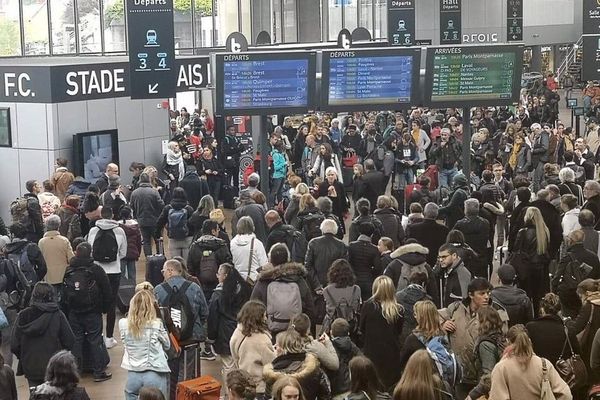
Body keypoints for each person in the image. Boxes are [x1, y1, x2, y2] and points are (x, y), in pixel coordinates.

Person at [439, 278, 506, 398]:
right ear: (470, 295)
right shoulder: (454, 309)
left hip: (485, 379)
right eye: (482, 293)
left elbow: (503, 338)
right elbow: (434, 316)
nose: (486, 297)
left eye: (488, 293)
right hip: (461, 376)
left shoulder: (496, 311)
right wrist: (443, 324)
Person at [63, 242, 112, 383]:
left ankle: (76, 372)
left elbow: (64, 293)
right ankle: (98, 372)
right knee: (95, 340)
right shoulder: (96, 269)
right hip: (92, 311)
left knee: (76, 341)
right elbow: (107, 291)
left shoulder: (68, 270)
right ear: (90, 253)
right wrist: (103, 309)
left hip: (74, 312)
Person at [11, 282, 75, 388]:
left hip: (30, 365)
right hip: (55, 366)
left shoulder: (23, 316)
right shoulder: (58, 314)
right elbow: (69, 340)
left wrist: (23, 356)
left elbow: (14, 345)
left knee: (35, 394)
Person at [488, 324, 572, 400]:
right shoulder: (544, 364)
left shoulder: (501, 368)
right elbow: (566, 394)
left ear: (507, 341)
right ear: (529, 340)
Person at [251, 243, 315, 334]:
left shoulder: (264, 281)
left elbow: (253, 309)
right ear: (288, 259)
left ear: (270, 260)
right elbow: (310, 309)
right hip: (296, 333)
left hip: (271, 333)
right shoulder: (298, 280)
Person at [87, 206, 127, 349]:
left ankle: (98, 336)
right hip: (114, 270)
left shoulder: (93, 230)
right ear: (112, 215)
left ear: (100, 216)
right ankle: (109, 338)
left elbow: (90, 251)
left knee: (96, 302)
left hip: (97, 270)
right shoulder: (120, 230)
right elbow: (123, 252)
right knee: (111, 303)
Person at [119, 289, 170, 400]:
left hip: (133, 373)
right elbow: (167, 345)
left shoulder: (123, 323)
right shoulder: (156, 324)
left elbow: (124, 342)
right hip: (154, 371)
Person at [208, 264, 252, 384]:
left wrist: (211, 337)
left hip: (225, 334)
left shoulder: (218, 294)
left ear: (224, 276)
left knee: (229, 366)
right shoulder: (246, 289)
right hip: (244, 332)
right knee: (242, 365)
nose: (217, 276)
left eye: (219, 273)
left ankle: (231, 394)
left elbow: (212, 317)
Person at [359, 275, 404, 390]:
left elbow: (361, 328)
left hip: (372, 352)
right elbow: (399, 331)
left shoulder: (368, 306)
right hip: (391, 353)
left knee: (373, 385)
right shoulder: (398, 310)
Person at [263, 329, 331, 400]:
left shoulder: (273, 372)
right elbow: (325, 394)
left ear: (281, 348)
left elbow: (268, 397)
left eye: (277, 345)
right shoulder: (314, 368)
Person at [229, 300, 276, 397]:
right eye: (264, 315)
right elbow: (270, 364)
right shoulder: (262, 340)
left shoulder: (237, 333)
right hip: (260, 386)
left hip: (243, 384)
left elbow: (235, 356)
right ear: (258, 318)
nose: (266, 318)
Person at [512, 207, 551, 315]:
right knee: (537, 296)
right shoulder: (545, 231)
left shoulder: (523, 232)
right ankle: (538, 317)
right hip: (540, 267)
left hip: (525, 268)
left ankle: (526, 318)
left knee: (525, 295)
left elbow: (516, 250)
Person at [553, 230, 600, 318]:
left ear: (571, 241)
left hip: (569, 296)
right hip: (589, 296)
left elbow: (556, 279)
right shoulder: (593, 257)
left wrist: (556, 292)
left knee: (570, 320)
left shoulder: (566, 258)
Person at [527, 293, 580, 366]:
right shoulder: (567, 330)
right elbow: (577, 352)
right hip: (562, 372)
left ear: (542, 310)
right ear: (559, 311)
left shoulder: (530, 327)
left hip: (538, 369)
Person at [188, 219, 233, 302]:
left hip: (200, 285)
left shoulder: (195, 246)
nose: (219, 231)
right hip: (218, 286)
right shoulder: (221, 245)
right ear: (213, 231)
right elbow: (228, 265)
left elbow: (190, 268)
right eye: (218, 229)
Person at [397, 300, 444, 373]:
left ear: (421, 318)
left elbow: (401, 363)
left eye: (415, 314)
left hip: (421, 379)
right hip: (441, 380)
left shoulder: (412, 339)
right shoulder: (443, 335)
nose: (414, 316)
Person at [566, 279, 600, 372]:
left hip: (591, 346)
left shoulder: (589, 306)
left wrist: (568, 322)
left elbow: (575, 329)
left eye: (581, 296)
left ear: (587, 293)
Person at [38, 215, 75, 300]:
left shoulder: (41, 242)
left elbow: (40, 260)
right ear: (59, 226)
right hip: (63, 276)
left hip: (47, 276)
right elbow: (71, 259)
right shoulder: (64, 240)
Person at [321, 259, 362, 335]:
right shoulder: (356, 289)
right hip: (351, 328)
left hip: (332, 328)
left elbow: (327, 311)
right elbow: (357, 308)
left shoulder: (327, 290)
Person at [130, 172, 165, 257]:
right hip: (155, 220)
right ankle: (160, 257)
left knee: (146, 241)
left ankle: (148, 259)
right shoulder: (154, 192)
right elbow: (161, 205)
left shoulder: (134, 193)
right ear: (149, 180)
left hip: (141, 220)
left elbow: (132, 206)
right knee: (158, 240)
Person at [154, 187, 195, 259]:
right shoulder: (189, 209)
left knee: (175, 265)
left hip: (173, 239)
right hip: (187, 239)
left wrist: (157, 234)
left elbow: (160, 222)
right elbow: (193, 223)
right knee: (186, 265)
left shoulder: (168, 208)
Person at [406, 203, 450, 268]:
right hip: (436, 263)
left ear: (424, 212)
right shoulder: (444, 230)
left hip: (417, 263)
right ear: (437, 214)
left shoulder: (412, 228)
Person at [230, 216, 268, 285]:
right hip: (253, 281)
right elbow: (264, 265)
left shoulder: (232, 243)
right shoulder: (257, 243)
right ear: (252, 227)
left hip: (238, 281)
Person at [349, 223, 382, 300]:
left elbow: (348, 262)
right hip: (368, 280)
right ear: (372, 234)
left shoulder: (352, 246)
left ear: (359, 232)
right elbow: (378, 267)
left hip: (354, 280)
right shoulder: (374, 249)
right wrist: (370, 272)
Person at [434, 243, 472, 308]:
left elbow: (464, 300)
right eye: (439, 257)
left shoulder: (463, 273)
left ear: (454, 255)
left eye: (444, 257)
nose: (440, 260)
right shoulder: (445, 270)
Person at [119, 206, 142, 281]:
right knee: (132, 275)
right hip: (132, 252)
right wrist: (138, 253)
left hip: (121, 253)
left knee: (121, 274)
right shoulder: (135, 226)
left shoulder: (118, 226)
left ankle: (122, 290)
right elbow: (138, 242)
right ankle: (132, 289)